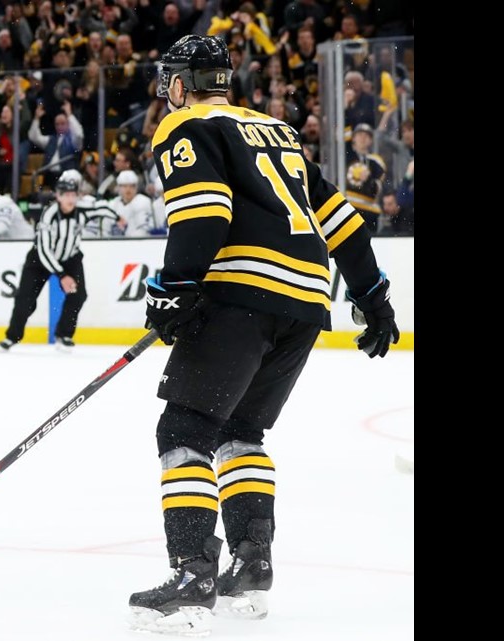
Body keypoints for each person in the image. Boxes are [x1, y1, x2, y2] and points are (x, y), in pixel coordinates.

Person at [127, 35, 400, 636]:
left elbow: (205, 210)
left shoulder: (186, 125)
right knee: (241, 432)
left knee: (185, 427)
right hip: (304, 303)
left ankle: (193, 571)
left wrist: (175, 285)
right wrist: (373, 296)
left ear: (180, 82)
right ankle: (251, 564)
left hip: (243, 295)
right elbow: (339, 218)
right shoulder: (276, 130)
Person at [0, 171, 120, 352]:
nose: (70, 199)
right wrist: (62, 275)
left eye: (73, 195)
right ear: (58, 196)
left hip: (71, 258)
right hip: (40, 261)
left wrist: (118, 218)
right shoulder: (49, 215)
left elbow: (102, 208)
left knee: (78, 295)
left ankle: (64, 334)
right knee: (25, 300)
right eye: (66, 195)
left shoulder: (82, 209)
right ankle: (12, 336)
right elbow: (45, 251)